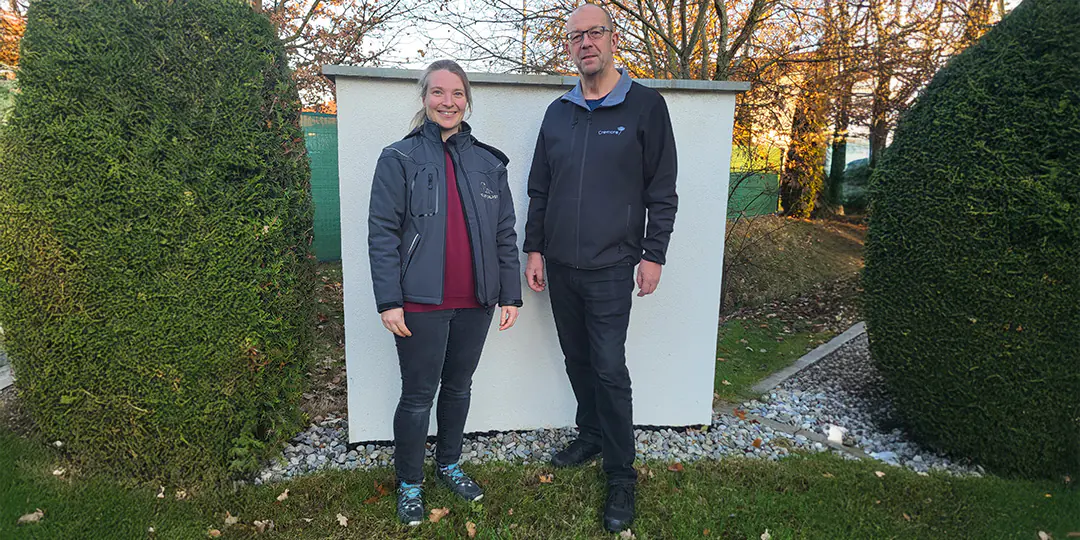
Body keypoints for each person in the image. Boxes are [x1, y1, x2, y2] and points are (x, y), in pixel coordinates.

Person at [522, 3, 678, 533]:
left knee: (609, 368)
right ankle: (590, 435)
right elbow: (539, 187)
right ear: (568, 47)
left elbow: (662, 189)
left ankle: (621, 474)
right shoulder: (558, 112)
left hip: (614, 265)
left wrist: (653, 253)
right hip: (560, 264)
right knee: (578, 358)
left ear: (613, 40)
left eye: (595, 33)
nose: (585, 43)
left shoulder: (645, 107)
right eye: (575, 36)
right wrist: (534, 248)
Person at [368, 59, 523, 526]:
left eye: (457, 93)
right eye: (438, 92)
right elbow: (382, 232)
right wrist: (388, 299)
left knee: (458, 388)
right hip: (421, 303)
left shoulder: (489, 163)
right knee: (418, 396)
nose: (448, 102)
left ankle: (449, 463)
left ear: (467, 100)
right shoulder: (399, 158)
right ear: (424, 98)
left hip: (476, 300)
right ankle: (410, 484)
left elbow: (505, 234)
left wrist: (509, 293)